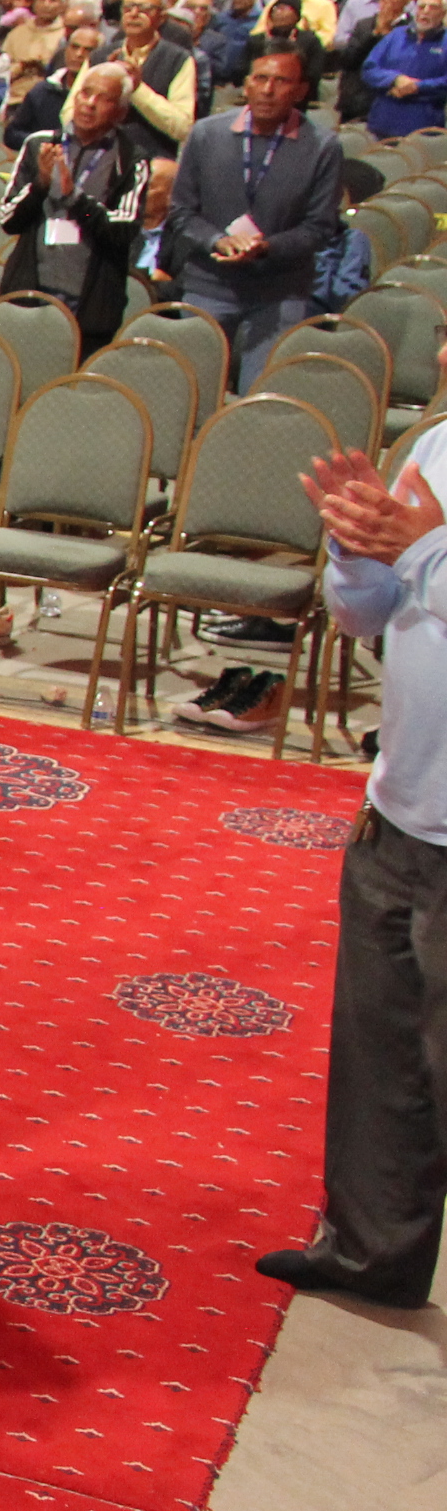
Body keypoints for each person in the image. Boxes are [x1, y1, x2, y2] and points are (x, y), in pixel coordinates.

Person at [266, 428, 447, 1306]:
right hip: (402, 801)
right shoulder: (440, 444)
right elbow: (367, 616)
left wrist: (421, 548)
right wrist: (357, 553)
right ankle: (374, 1253)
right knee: (384, 1052)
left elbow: (426, 563)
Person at [163, 45, 340, 390]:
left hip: (281, 292)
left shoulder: (322, 146)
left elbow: (320, 227)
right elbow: (182, 211)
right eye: (260, 78)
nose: (268, 90)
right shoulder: (206, 134)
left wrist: (266, 247)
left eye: (281, 81)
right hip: (209, 283)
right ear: (246, 84)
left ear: (301, 90)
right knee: (194, 393)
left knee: (260, 397)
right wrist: (219, 241)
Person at [0, 65, 163, 358]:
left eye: (104, 98)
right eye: (85, 93)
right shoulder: (40, 144)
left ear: (121, 112)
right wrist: (41, 185)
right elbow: (8, 219)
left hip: (90, 302)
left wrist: (75, 200)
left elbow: (122, 231)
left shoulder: (131, 159)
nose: (90, 103)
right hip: (31, 289)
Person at [113, 0, 200, 151]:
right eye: (128, 8)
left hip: (155, 157)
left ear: (162, 18)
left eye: (144, 9)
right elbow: (69, 113)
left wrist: (138, 90)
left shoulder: (178, 59)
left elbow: (183, 128)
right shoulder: (101, 55)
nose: (134, 14)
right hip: (103, 155)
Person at [363, 0, 447, 138]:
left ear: (443, 13)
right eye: (422, 7)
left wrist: (417, 87)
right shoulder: (396, 35)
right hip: (382, 120)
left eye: (433, 7)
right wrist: (395, 79)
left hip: (423, 126)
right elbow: (369, 68)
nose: (425, 11)